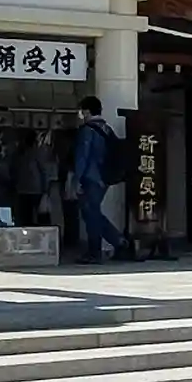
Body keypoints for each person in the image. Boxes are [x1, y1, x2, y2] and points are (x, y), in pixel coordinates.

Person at [72, 95, 134, 262]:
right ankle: (118, 242)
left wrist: (77, 180)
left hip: (90, 177)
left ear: (86, 111)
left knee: (91, 214)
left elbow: (82, 157)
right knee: (93, 213)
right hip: (104, 178)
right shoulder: (106, 129)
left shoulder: (87, 130)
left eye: (81, 111)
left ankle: (98, 250)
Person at [8, 130, 50, 227]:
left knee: (25, 218)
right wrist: (46, 190)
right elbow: (44, 171)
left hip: (22, 189)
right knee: (40, 217)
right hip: (36, 189)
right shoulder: (37, 153)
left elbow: (12, 171)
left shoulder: (17, 155)